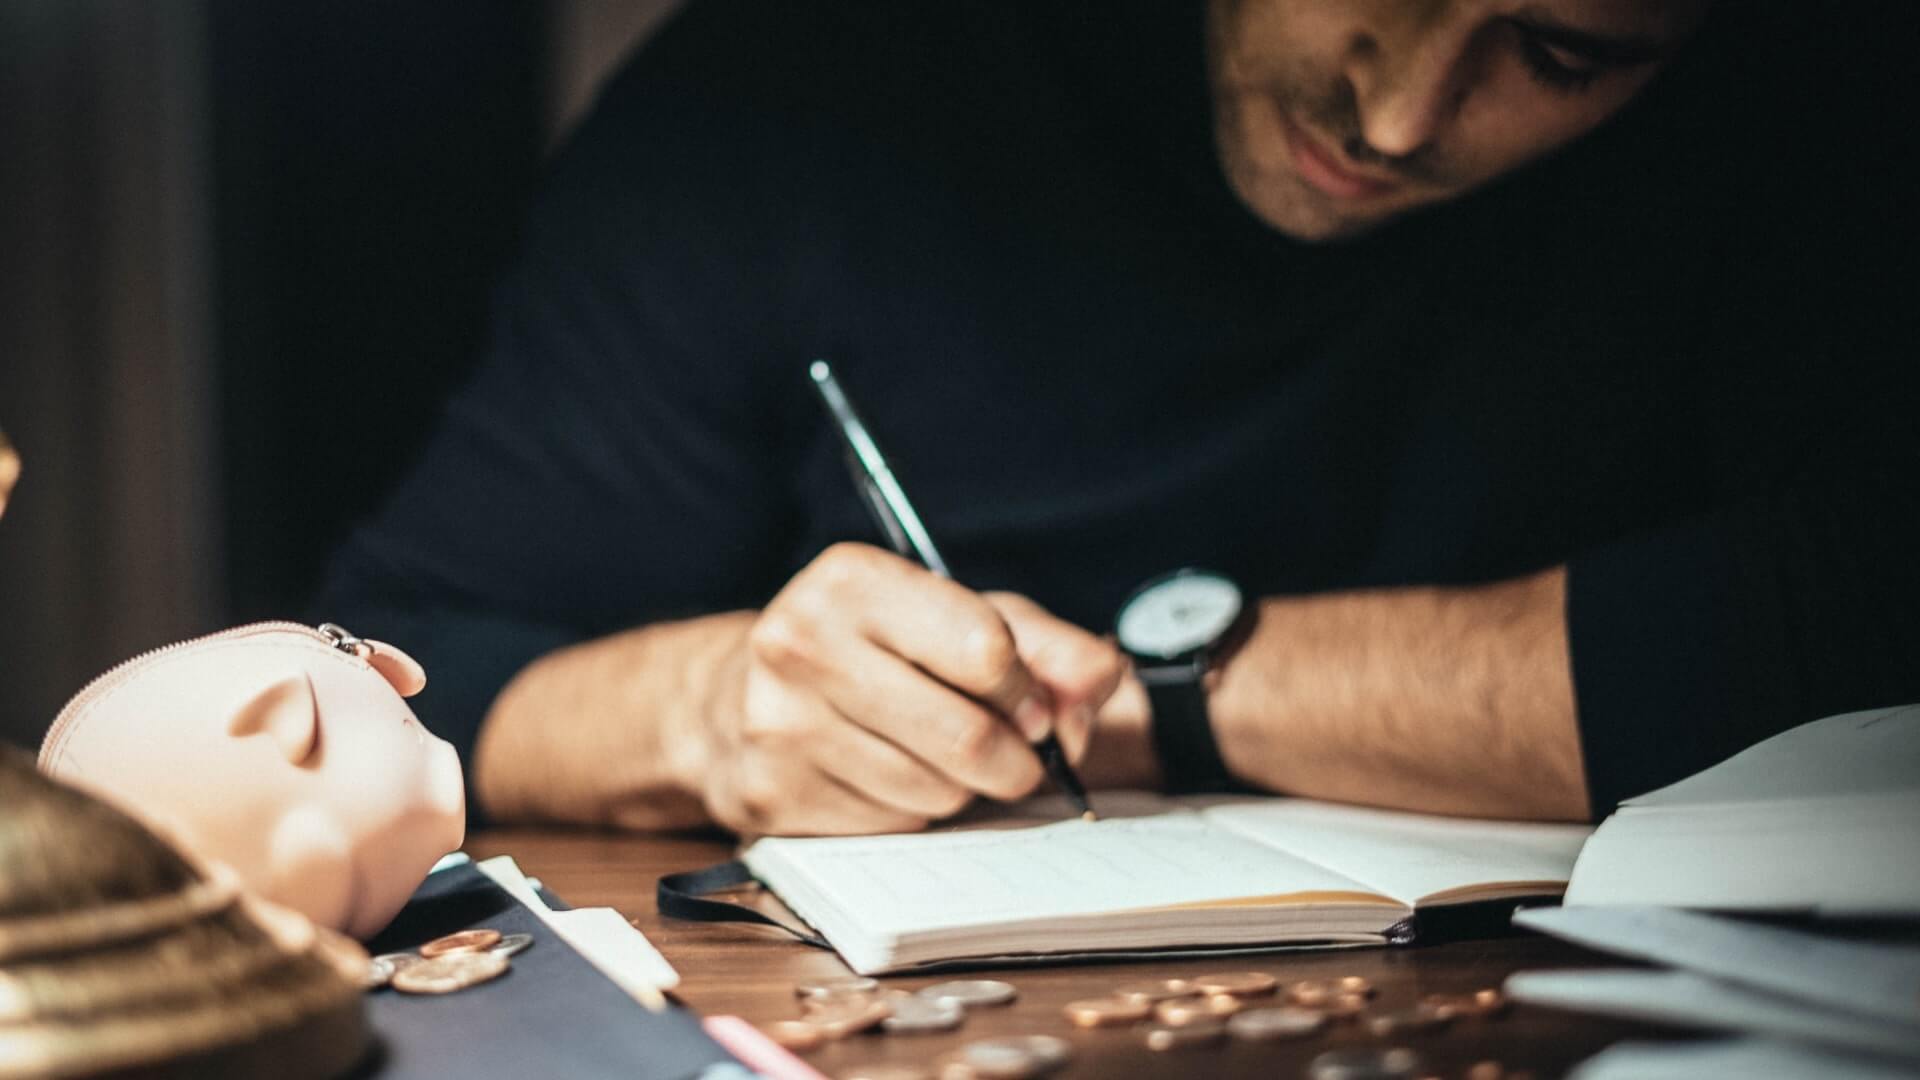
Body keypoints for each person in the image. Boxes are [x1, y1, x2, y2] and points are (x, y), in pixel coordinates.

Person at [317, 0, 1915, 836]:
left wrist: (1161, 695)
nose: (1401, 110)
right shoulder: (803, 95)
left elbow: (1862, 619)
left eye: (1562, 53)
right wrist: (709, 709)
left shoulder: (1821, 118)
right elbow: (411, 659)